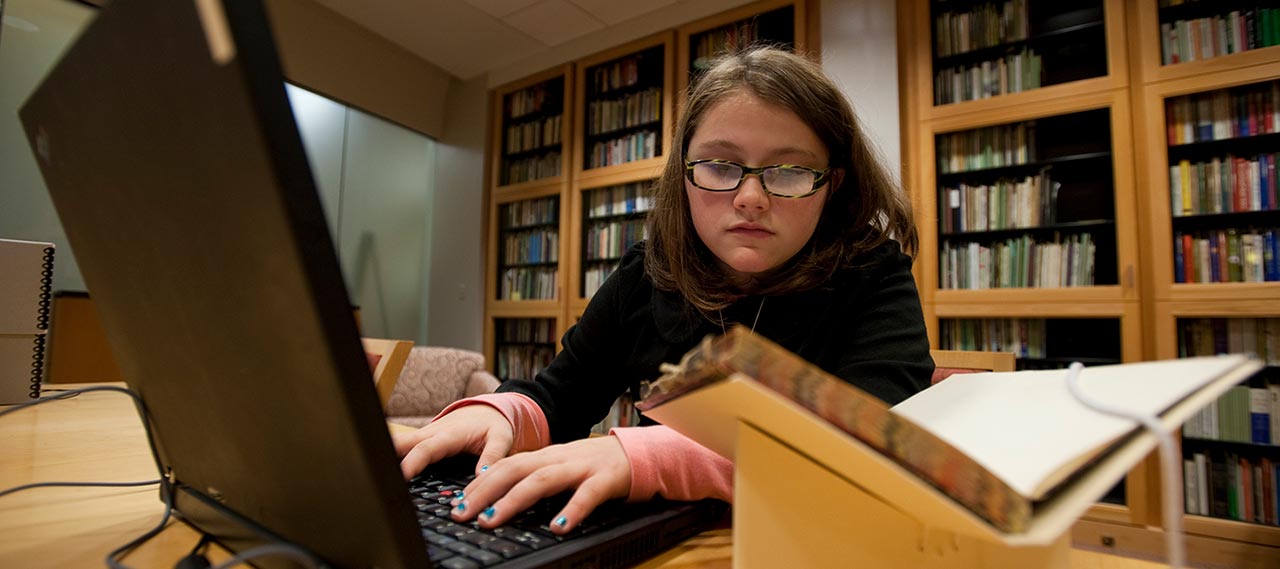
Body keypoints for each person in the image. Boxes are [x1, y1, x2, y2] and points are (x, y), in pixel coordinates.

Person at [393, 46, 934, 534]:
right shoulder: (645, 274)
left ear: (831, 185)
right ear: (684, 174)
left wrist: (647, 459)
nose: (750, 197)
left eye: (789, 171)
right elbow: (560, 397)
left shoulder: (873, 274)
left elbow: (868, 449)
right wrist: (499, 415)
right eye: (720, 166)